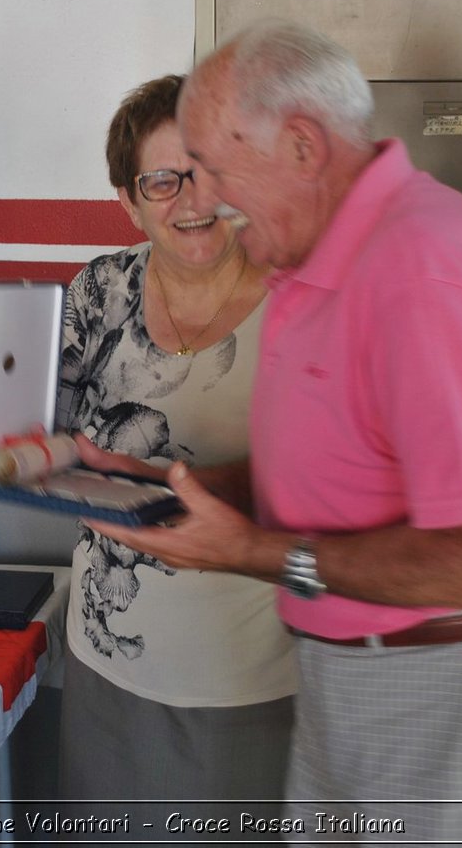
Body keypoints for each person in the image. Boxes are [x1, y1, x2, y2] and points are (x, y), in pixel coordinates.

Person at [84, 20, 462, 843]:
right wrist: (171, 490)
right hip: (362, 671)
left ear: (301, 145)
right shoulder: (316, 258)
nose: (209, 200)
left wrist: (253, 552)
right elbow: (333, 469)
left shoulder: (422, 272)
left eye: (218, 169)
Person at [56, 74, 296, 821]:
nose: (193, 202)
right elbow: (44, 438)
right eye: (162, 181)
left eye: (209, 174)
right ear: (128, 200)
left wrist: (172, 483)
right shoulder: (98, 289)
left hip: (247, 679)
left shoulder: (306, 302)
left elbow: (344, 485)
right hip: (104, 661)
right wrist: (21, 455)